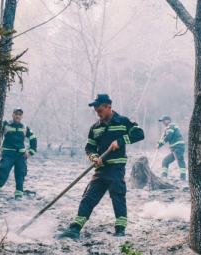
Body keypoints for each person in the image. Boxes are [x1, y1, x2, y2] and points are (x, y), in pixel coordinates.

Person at [56, 94, 144, 240]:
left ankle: (120, 230)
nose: (98, 114)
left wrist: (121, 141)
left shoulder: (123, 121)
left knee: (117, 197)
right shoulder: (95, 128)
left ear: (109, 107)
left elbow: (139, 134)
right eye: (96, 111)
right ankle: (75, 229)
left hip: (116, 169)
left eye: (100, 110)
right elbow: (89, 147)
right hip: (100, 170)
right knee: (88, 198)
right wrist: (94, 157)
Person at [0, 107, 37, 201]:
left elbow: (33, 139)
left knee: (20, 174)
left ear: (22, 117)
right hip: (8, 154)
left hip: (21, 156)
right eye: (16, 114)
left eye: (20, 115)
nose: (18, 116)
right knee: (3, 171)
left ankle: (18, 194)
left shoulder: (24, 128)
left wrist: (31, 152)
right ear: (13, 115)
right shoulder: (6, 125)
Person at [157, 115, 187, 181]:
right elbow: (167, 135)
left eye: (164, 120)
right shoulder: (169, 127)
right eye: (162, 121)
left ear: (169, 120)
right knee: (165, 161)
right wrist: (164, 133)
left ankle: (183, 178)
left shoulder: (171, 125)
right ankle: (164, 177)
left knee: (180, 161)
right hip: (174, 148)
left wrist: (160, 144)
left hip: (178, 147)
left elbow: (169, 136)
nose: (163, 122)